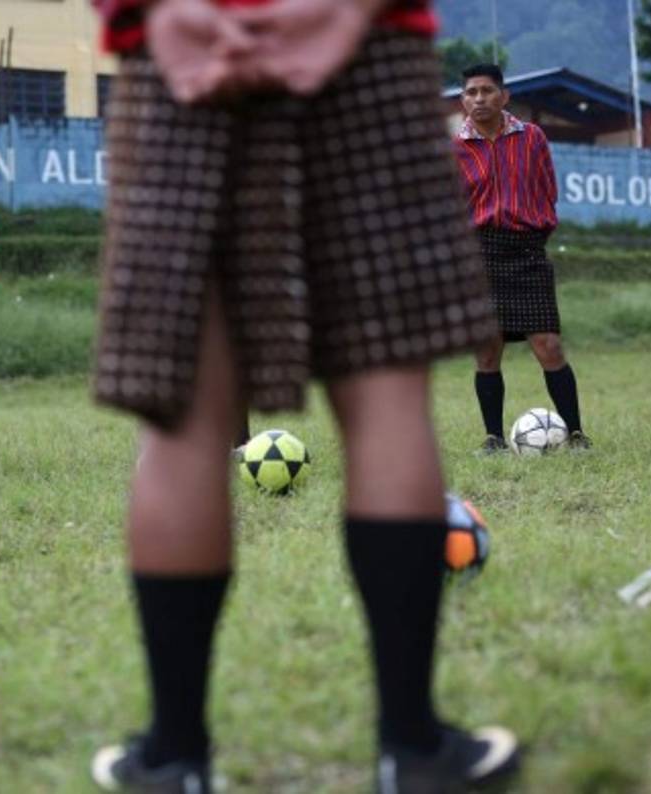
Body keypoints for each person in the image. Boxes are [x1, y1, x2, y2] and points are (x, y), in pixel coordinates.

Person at [89, 0, 521, 791]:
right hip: (369, 49)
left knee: (185, 412)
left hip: (181, 48)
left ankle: (176, 759)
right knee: (388, 392)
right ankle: (415, 750)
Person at [453, 64, 590, 454]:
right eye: (471, 93)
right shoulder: (455, 150)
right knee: (487, 349)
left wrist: (535, 232)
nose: (479, 99)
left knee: (548, 345)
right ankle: (493, 438)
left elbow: (548, 190)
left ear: (504, 96)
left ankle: (577, 434)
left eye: (486, 91)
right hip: (478, 254)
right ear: (463, 101)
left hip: (527, 250)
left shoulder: (532, 138)